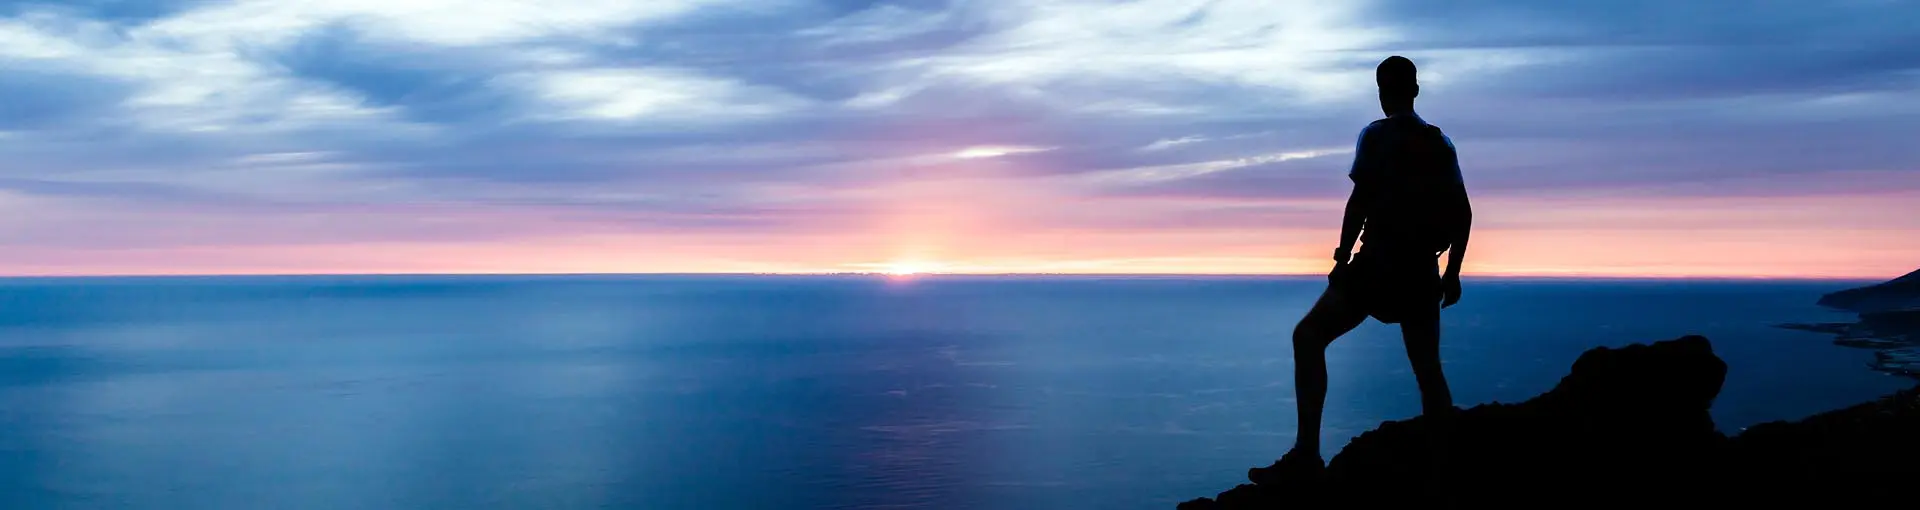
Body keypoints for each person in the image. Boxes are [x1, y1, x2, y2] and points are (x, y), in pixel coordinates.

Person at [1251, 55, 1474, 483]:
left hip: (1376, 267)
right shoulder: (1440, 143)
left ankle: (1306, 455)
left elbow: (1360, 202)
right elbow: (1462, 213)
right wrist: (1452, 271)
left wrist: (1340, 259)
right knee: (1428, 369)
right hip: (1421, 271)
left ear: (1381, 92)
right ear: (1415, 90)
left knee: (1308, 337)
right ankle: (1446, 464)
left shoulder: (1375, 136)